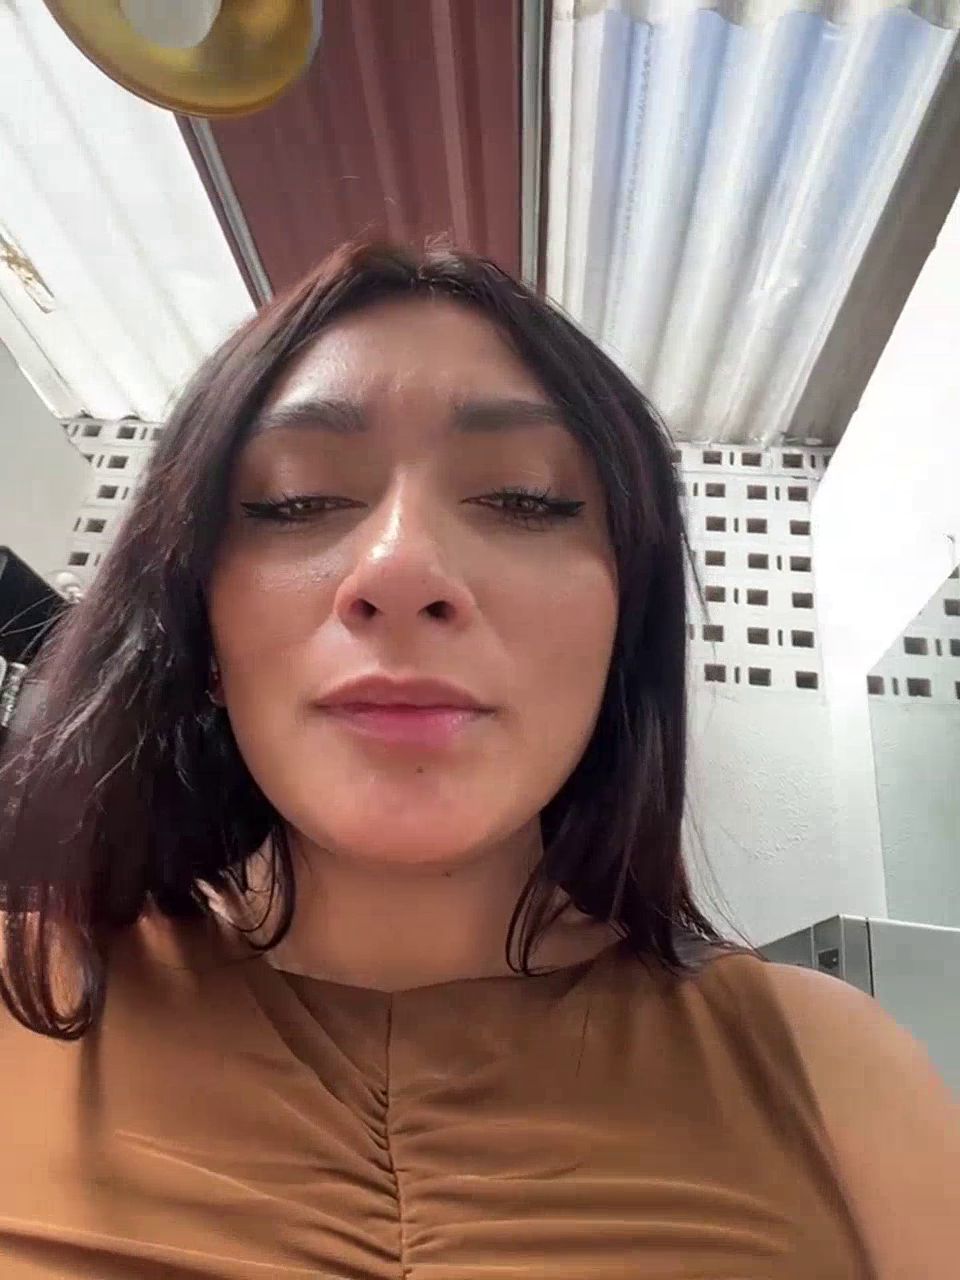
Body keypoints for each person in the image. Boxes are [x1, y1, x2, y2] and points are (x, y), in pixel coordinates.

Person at [0, 241, 955, 1279]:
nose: (401, 567)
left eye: (526, 498)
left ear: (623, 630)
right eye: (294, 500)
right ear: (203, 632)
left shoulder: (839, 1074)